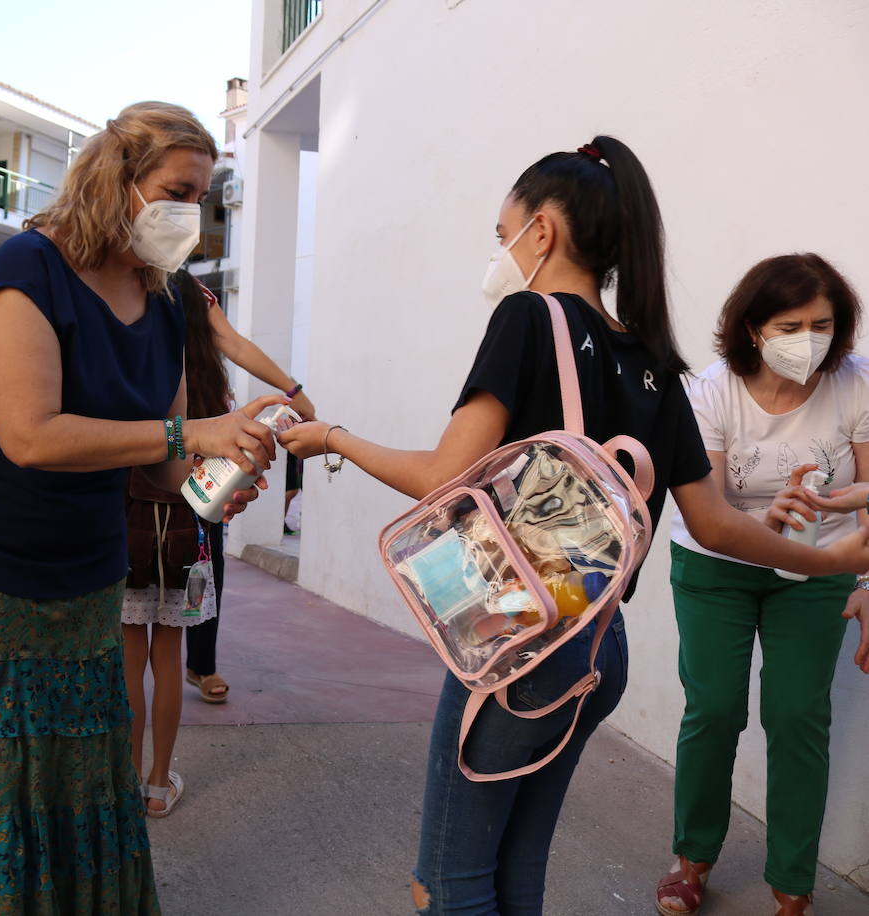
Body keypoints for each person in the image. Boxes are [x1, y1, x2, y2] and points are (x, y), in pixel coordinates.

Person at [277, 136, 869, 915]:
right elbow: (715, 524)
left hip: (517, 640)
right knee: (516, 871)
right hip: (599, 648)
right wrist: (829, 565)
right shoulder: (654, 357)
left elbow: (441, 479)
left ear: (543, 232)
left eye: (503, 234)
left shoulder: (528, 317)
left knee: (451, 882)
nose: (501, 253)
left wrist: (330, 439)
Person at [0, 101, 283, 914]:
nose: (189, 212)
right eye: (175, 189)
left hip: (88, 574)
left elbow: (157, 461)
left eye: (202, 196)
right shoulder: (27, 268)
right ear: (118, 180)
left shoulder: (165, 303)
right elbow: (31, 434)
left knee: (78, 773)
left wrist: (207, 484)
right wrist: (192, 428)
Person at [657, 254, 869, 916]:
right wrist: (767, 523)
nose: (811, 338)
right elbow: (712, 510)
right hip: (715, 568)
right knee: (714, 710)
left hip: (817, 570)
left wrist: (865, 577)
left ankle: (793, 884)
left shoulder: (855, 386)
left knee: (798, 715)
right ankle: (692, 858)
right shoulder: (710, 391)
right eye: (790, 324)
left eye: (824, 323)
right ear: (753, 329)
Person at [183, 277, 316, 703]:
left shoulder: (188, 290)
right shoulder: (114, 283)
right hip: (150, 434)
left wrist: (294, 393)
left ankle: (200, 663)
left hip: (209, 437)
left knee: (205, 548)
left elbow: (234, 344)